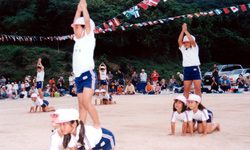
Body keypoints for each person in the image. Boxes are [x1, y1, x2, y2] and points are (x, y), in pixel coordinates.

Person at [71, 0, 100, 129]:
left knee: (86, 103)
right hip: (78, 77)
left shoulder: (88, 39)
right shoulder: (77, 40)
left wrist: (84, 8)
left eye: (77, 27)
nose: (75, 29)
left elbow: (86, 22)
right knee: (81, 105)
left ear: (84, 29)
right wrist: (78, 10)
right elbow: (76, 21)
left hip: (88, 75)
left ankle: (97, 124)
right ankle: (80, 128)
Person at [178, 23, 202, 99]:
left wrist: (186, 32)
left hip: (195, 69)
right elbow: (179, 41)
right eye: (184, 42)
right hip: (187, 69)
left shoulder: (195, 48)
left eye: (187, 42)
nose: (185, 44)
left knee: (197, 90)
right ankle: (185, 105)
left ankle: (198, 106)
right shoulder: (183, 49)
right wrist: (182, 31)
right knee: (186, 90)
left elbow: (192, 40)